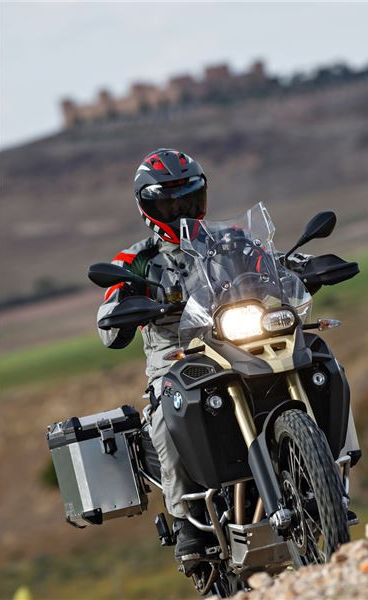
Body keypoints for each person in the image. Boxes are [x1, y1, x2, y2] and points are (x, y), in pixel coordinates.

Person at [97, 148, 311, 559]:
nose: (181, 210)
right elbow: (109, 316)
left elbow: (270, 264)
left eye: (189, 198)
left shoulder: (233, 238)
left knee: (315, 357)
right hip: (177, 358)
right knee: (164, 414)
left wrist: (300, 268)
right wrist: (121, 311)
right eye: (169, 203)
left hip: (235, 340)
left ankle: (327, 466)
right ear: (148, 208)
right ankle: (185, 519)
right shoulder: (134, 260)